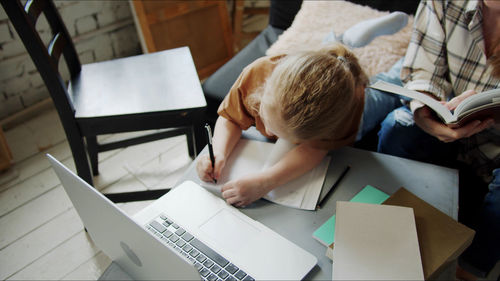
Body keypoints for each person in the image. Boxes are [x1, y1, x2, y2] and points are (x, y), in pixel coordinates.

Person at [373, 1, 499, 278]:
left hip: (495, 149)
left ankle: (469, 270)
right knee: (397, 127)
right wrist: (424, 112)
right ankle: (391, 226)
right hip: (447, 125)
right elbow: (423, 72)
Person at [196, 44, 368, 207]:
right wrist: (219, 151)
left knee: (380, 99)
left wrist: (265, 182)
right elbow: (231, 117)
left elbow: (316, 149)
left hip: (365, 101)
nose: (268, 132)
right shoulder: (256, 74)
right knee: (329, 59)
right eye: (265, 119)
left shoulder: (346, 107)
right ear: (262, 91)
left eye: (285, 136)